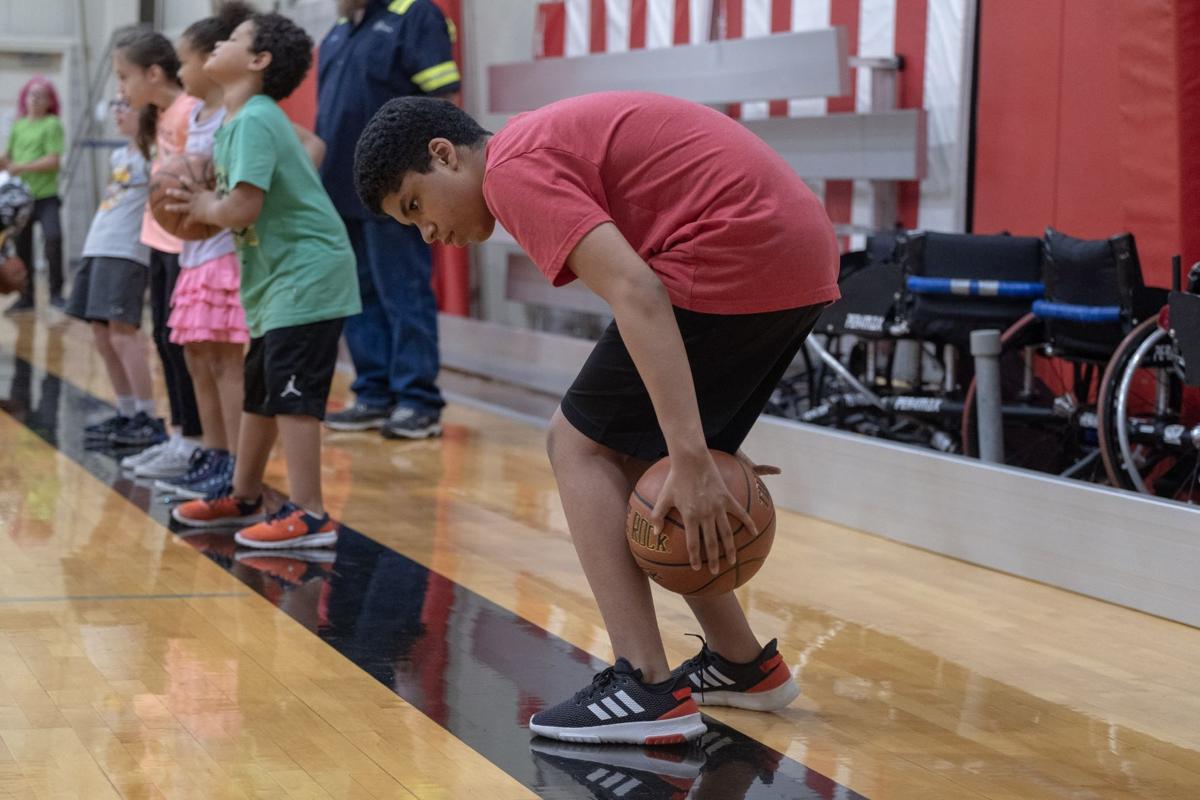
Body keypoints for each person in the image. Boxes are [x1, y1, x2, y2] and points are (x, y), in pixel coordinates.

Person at [352, 91, 841, 744]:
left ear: (445, 155)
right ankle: (743, 664)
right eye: (409, 225)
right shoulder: (536, 144)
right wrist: (682, 449)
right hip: (795, 250)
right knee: (638, 459)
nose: (428, 233)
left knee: (575, 445)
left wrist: (694, 454)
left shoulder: (510, 167)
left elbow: (637, 292)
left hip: (737, 247)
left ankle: (643, 686)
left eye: (416, 206)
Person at [165, 14, 360, 549]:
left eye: (232, 39)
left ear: (258, 61)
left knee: (294, 396)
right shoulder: (243, 119)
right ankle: (245, 494)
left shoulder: (253, 119)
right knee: (261, 391)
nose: (220, 43)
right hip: (278, 280)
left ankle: (312, 514)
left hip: (307, 275)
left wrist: (206, 205)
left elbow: (245, 206)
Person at [316, 0, 459, 439]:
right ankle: (373, 394)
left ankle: (418, 400)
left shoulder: (415, 15)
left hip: (397, 192)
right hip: (340, 191)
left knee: (404, 292)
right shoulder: (336, 34)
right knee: (359, 296)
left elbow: (444, 103)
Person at [153, 4, 255, 500]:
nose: (180, 72)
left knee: (226, 362)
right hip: (192, 251)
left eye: (185, 61)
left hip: (224, 252)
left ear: (213, 60)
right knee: (195, 357)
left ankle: (237, 462)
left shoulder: (238, 114)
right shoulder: (193, 114)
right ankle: (213, 452)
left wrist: (212, 191)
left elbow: (307, 148)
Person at [112, 28, 205, 467]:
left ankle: (197, 439)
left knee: (181, 343)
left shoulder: (189, 111)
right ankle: (179, 434)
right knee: (163, 339)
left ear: (153, 73)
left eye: (124, 77)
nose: (121, 88)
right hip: (157, 238)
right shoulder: (159, 115)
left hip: (184, 245)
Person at [64, 99, 162, 447]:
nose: (118, 111)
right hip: (99, 245)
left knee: (123, 335)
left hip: (127, 250)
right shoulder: (119, 155)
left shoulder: (156, 155)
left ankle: (147, 416)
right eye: (116, 104)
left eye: (127, 105)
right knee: (102, 336)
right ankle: (125, 410)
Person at [0, 77, 65, 312]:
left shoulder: (52, 124)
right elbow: (8, 158)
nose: (35, 99)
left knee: (53, 238)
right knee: (22, 247)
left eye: (41, 95)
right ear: (24, 98)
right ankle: (26, 297)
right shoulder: (18, 126)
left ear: (50, 101)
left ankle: (56, 293)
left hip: (46, 196)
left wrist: (22, 167)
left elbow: (53, 160)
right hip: (20, 200)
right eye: (31, 94)